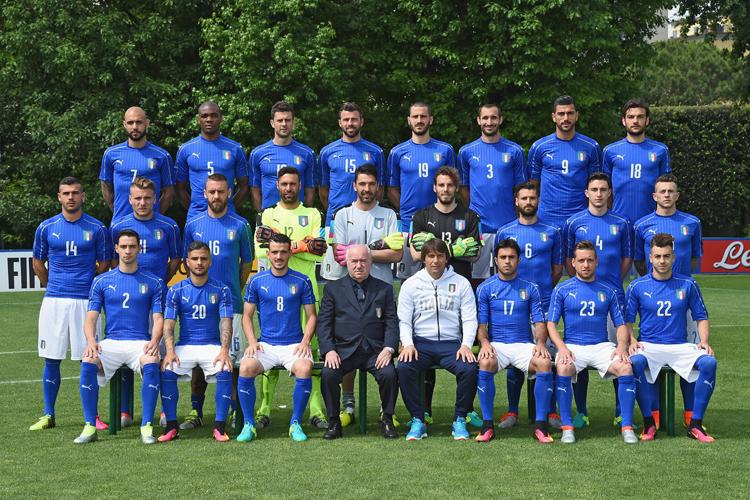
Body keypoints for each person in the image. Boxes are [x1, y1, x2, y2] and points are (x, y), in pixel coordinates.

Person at [321, 164, 402, 425]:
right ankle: (348, 404)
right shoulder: (342, 215)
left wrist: (361, 253)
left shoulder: (390, 214)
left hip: (380, 289)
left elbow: (397, 253)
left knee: (376, 344)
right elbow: (340, 255)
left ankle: (384, 410)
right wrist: (376, 251)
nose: (367, 189)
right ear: (354, 186)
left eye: (371, 184)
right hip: (347, 287)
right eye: (362, 184)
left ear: (378, 187)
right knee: (349, 338)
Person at [30, 177, 110, 432]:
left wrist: (87, 287)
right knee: (51, 359)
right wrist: (52, 286)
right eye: (66, 193)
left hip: (85, 303)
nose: (71, 197)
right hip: (54, 301)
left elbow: (104, 264)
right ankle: (48, 414)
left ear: (83, 196)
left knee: (88, 358)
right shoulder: (46, 227)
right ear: (59, 197)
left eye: (76, 193)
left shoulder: (97, 229)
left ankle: (93, 416)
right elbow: (38, 262)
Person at [73, 230, 164, 444]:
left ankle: (147, 426)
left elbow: (158, 318)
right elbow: (90, 318)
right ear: (116, 248)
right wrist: (91, 342)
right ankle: (89, 426)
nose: (128, 250)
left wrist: (154, 341)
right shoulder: (101, 281)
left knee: (151, 361)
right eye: (123, 246)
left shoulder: (154, 282)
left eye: (132, 246)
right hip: (111, 341)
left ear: (139, 249)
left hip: (140, 342)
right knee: (88, 361)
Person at [254, 167, 329, 429]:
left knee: (312, 351)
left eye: (293, 184)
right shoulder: (268, 213)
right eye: (284, 184)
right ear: (278, 185)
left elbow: (319, 253)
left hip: (307, 292)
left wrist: (291, 248)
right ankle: (264, 408)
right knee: (269, 347)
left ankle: (316, 409)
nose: (288, 188)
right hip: (274, 293)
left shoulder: (312, 214)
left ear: (300, 186)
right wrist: (302, 245)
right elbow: (262, 251)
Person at [626, 233, 717, 442]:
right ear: (650, 258)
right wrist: (631, 340)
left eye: (666, 256)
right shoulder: (637, 286)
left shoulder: (687, 284)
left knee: (709, 363)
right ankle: (649, 423)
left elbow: (701, 316)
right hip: (649, 344)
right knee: (635, 362)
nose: (662, 261)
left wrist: (703, 342)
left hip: (680, 345)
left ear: (673, 258)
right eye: (657, 256)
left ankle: (695, 424)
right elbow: (627, 320)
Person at [409, 166, 481, 426]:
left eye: (450, 185)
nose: (445, 190)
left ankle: (467, 408)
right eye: (441, 185)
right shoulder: (421, 216)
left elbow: (475, 254)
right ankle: (425, 409)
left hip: (460, 286)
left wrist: (440, 246)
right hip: (428, 287)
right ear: (434, 188)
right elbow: (416, 255)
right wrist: (452, 248)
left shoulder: (470, 216)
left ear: (456, 188)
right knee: (428, 342)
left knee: (463, 347)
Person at [546, 241, 638, 444]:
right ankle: (567, 427)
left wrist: (621, 347)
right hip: (573, 346)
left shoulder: (608, 290)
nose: (585, 265)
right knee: (562, 366)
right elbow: (551, 324)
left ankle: (627, 427)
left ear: (597, 262)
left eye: (589, 260)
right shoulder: (562, 290)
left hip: (601, 346)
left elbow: (621, 324)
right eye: (581, 261)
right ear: (573, 263)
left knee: (625, 367)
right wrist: (561, 348)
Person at [562, 173, 633, 428]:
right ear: (587, 193)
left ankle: (618, 410)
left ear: (610, 192)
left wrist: (611, 284)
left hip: (613, 297)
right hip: (582, 296)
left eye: (604, 189)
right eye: (594, 189)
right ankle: (581, 412)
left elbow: (627, 259)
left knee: (619, 354)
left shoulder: (622, 223)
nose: (599, 193)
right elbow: (570, 261)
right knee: (580, 351)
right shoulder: (573, 222)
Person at [182, 174, 253, 429]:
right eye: (212, 192)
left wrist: (235, 287)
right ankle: (195, 410)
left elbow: (246, 264)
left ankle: (235, 411)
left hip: (231, 305)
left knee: (232, 362)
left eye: (221, 192)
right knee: (198, 362)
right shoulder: (193, 225)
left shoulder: (241, 225)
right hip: (199, 308)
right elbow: (188, 261)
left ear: (230, 192)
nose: (216, 196)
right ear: (204, 193)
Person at [110, 177, 181, 426]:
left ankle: (165, 410)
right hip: (128, 303)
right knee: (126, 353)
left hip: (157, 300)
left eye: (147, 198)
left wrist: (159, 283)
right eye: (137, 198)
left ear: (156, 199)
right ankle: (126, 411)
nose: (142, 202)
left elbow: (174, 259)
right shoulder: (119, 225)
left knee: (160, 354)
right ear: (129, 199)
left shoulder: (169, 226)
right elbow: (113, 262)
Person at [634, 174, 702, 427]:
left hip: (683, 296)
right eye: (662, 191)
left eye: (670, 191)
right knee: (647, 355)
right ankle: (655, 416)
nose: (666, 195)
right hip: (654, 295)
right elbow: (640, 262)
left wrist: (681, 281)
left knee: (692, 356)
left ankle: (690, 414)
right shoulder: (642, 225)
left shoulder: (692, 223)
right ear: (654, 196)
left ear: (677, 195)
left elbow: (694, 258)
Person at [236, 233, 317, 442]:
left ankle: (295, 423)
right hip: (266, 345)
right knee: (245, 367)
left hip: (294, 345)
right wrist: (253, 343)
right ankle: (249, 424)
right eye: (274, 252)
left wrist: (305, 342)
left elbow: (312, 316)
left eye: (283, 252)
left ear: (290, 253)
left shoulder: (302, 280)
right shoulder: (256, 281)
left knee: (305, 368)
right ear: (268, 254)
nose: (279, 256)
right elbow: (246, 316)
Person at [495, 182, 564, 429]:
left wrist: (540, 290)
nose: (528, 202)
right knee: (516, 356)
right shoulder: (505, 232)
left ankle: (551, 412)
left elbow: (557, 268)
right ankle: (512, 411)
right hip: (515, 304)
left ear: (538, 201)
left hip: (544, 303)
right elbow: (501, 269)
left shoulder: (552, 231)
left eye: (532, 198)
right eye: (524, 198)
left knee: (546, 355)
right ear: (516, 201)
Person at [396, 239, 478, 441]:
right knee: (404, 366)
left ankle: (459, 418)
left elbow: (469, 318)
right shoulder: (411, 284)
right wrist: (408, 344)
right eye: (431, 256)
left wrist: (466, 345)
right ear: (423, 259)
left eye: (440, 256)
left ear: (446, 258)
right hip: (421, 343)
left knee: (469, 368)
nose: (435, 261)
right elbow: (404, 320)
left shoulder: (461, 283)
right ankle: (418, 419)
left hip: (451, 344)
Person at [475, 238, 555, 443]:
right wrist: (484, 343)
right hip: (497, 345)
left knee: (544, 362)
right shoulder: (485, 288)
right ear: (496, 260)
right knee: (485, 362)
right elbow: (481, 326)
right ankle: (487, 426)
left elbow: (539, 322)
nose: (507, 261)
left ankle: (541, 426)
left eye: (511, 257)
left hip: (523, 345)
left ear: (519, 260)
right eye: (503, 257)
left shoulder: (531, 288)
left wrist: (540, 343)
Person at [318, 245, 400, 439]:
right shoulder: (332, 289)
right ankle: (334, 422)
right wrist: (329, 350)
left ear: (370, 263)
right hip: (344, 351)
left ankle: (387, 419)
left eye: (363, 261)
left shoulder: (385, 289)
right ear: (347, 263)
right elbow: (324, 324)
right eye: (354, 261)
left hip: (375, 352)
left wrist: (388, 349)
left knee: (389, 374)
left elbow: (392, 322)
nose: (359, 265)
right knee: (328, 374)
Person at [158, 241, 235, 442]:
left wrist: (224, 350)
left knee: (226, 368)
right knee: (167, 369)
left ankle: (219, 426)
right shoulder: (176, 290)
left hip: (212, 345)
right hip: (185, 345)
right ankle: (171, 426)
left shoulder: (222, 289)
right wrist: (170, 351)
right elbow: (168, 324)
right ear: (186, 263)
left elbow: (226, 323)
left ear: (210, 261)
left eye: (203, 258)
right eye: (195, 259)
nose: (199, 263)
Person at [457, 103, 527, 287]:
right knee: (476, 280)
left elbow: (520, 189)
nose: (489, 122)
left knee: (508, 277)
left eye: (493, 117)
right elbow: (464, 188)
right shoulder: (466, 151)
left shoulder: (515, 151)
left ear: (500, 119)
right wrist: (476, 210)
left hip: (508, 225)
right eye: (485, 118)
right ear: (479, 120)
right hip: (479, 227)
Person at [387, 101, 455, 280]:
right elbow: (391, 189)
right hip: (408, 223)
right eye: (415, 117)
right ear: (409, 120)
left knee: (439, 274)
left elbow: (451, 185)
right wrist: (406, 210)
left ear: (430, 119)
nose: (419, 120)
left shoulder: (445, 150)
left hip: (440, 221)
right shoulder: (397, 152)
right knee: (407, 279)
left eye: (423, 116)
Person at [528, 95, 602, 230]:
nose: (566, 118)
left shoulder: (591, 146)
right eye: (561, 114)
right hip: (546, 218)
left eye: (570, 113)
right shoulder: (539, 147)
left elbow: (597, 184)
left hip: (580, 216)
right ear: (553, 117)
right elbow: (533, 185)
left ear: (577, 115)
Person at [175, 101, 250, 220]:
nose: (209, 119)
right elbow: (179, 188)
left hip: (228, 216)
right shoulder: (186, 149)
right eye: (204, 116)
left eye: (214, 115)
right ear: (198, 119)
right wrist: (195, 208)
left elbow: (245, 187)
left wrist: (229, 206)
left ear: (221, 118)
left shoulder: (235, 148)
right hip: (196, 216)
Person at [100, 106, 175, 223]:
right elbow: (105, 184)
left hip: (151, 225)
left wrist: (156, 214)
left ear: (147, 123)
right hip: (121, 222)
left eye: (139, 122)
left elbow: (169, 191)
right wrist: (116, 209)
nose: (134, 127)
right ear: (125, 125)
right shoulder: (111, 154)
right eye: (130, 123)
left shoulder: (162, 156)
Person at [602, 99, 671, 225]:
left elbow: (667, 188)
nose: (635, 121)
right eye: (631, 117)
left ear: (647, 120)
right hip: (618, 222)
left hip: (652, 221)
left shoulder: (660, 150)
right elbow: (605, 189)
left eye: (640, 117)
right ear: (624, 121)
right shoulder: (610, 151)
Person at [318, 102, 386, 228]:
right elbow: (323, 190)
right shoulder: (327, 152)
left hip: (368, 217)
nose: (350, 123)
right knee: (335, 248)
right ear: (340, 123)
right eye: (346, 119)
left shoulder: (376, 152)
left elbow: (380, 189)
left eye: (354, 119)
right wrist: (336, 210)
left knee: (366, 248)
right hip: (335, 219)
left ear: (362, 122)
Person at [250, 101, 316, 211]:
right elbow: (254, 190)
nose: (284, 124)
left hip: (297, 218)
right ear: (272, 123)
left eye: (288, 120)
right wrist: (261, 215)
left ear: (293, 123)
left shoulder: (307, 153)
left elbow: (310, 190)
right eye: (280, 120)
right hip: (269, 218)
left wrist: (305, 214)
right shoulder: (257, 153)